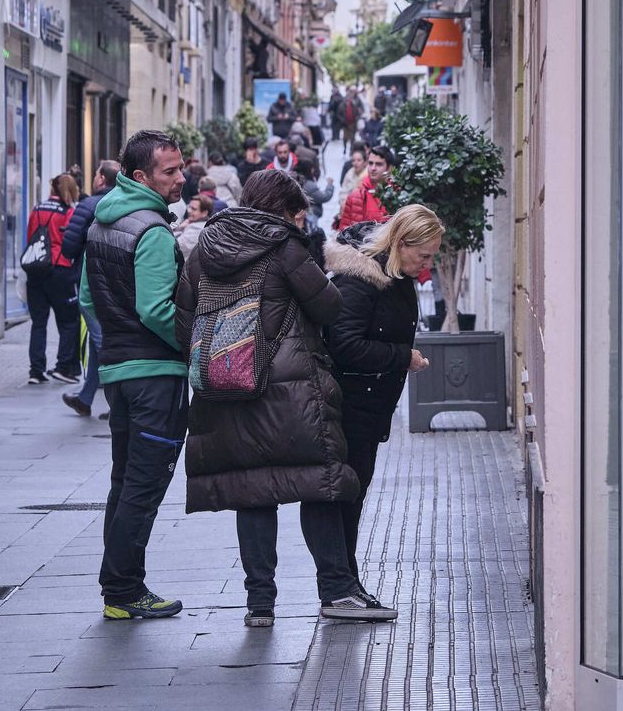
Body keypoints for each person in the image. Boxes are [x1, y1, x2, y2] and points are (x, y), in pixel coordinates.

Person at [177, 170, 396, 625]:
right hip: (290, 388)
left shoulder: (205, 247)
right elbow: (330, 306)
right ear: (283, 209)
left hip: (226, 387)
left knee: (252, 490)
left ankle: (260, 605)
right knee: (318, 482)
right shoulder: (284, 246)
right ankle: (336, 591)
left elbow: (185, 318)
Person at [80, 130, 190, 620]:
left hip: (120, 375)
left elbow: (87, 299)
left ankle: (118, 590)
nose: (180, 178)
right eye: (169, 171)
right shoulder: (153, 230)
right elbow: (156, 309)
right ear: (141, 176)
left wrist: (112, 349)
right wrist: (195, 346)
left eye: (180, 168)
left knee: (124, 482)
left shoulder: (102, 223)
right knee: (143, 487)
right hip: (155, 376)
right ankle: (125, 591)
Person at [324, 206, 443, 595]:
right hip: (348, 406)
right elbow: (344, 345)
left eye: (431, 258)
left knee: (352, 496)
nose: (426, 266)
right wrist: (401, 357)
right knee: (344, 497)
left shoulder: (394, 274)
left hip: (369, 406)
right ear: (400, 242)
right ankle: (341, 588)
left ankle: (346, 584)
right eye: (423, 256)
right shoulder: (361, 279)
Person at [59, 159, 119, 418]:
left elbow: (69, 246)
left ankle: (119, 403)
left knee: (101, 341)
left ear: (101, 179)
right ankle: (85, 398)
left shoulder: (90, 204)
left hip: (92, 283)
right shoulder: (126, 205)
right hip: (118, 284)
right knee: (98, 342)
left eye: (96, 174)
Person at [25, 174, 81, 385]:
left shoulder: (37, 209)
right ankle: (63, 366)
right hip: (60, 269)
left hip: (36, 268)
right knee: (68, 322)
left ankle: (35, 371)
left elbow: (31, 235)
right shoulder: (68, 212)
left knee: (38, 322)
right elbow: (71, 241)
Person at [338, 145, 395, 231]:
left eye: (379, 164)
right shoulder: (354, 196)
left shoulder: (397, 195)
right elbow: (343, 233)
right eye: (370, 163)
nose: (373, 168)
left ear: (389, 168)